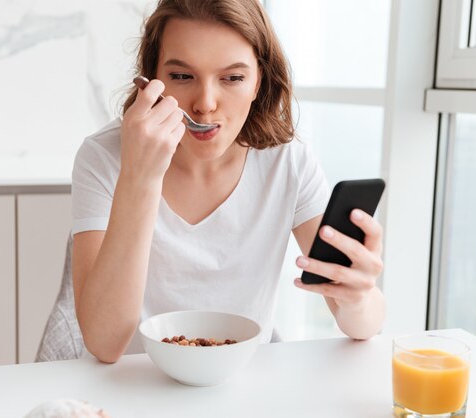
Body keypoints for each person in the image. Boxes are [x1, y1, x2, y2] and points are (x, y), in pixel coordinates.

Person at [71, 0, 385, 363]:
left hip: (245, 388)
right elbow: (104, 343)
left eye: (233, 78)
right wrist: (140, 177)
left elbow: (362, 324)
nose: (205, 104)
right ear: (151, 81)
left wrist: (360, 296)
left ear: (258, 83)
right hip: (136, 389)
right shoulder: (104, 158)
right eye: (182, 76)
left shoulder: (288, 161)